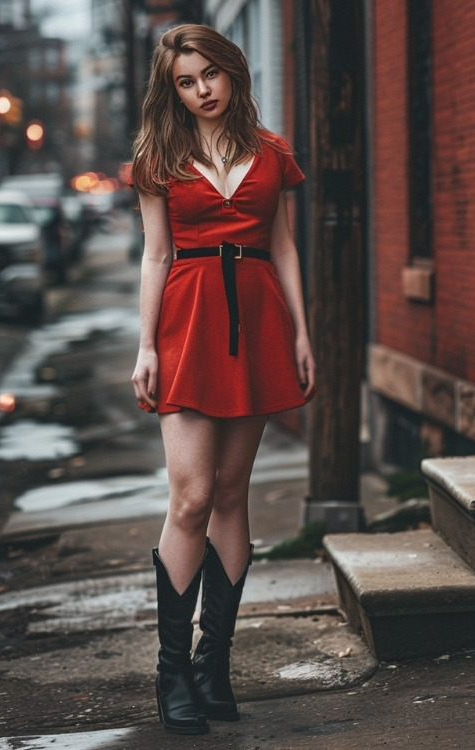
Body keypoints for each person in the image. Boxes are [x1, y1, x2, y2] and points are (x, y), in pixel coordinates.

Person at [130, 24, 316, 735]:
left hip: (260, 322)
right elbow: (155, 256)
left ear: (233, 72)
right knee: (193, 496)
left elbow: (283, 244)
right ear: (171, 89)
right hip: (187, 323)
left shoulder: (272, 153)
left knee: (233, 495)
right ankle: (172, 671)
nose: (201, 90)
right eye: (185, 80)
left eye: (210, 74)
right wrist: (145, 346)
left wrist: (302, 331)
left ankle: (215, 666)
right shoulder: (158, 156)